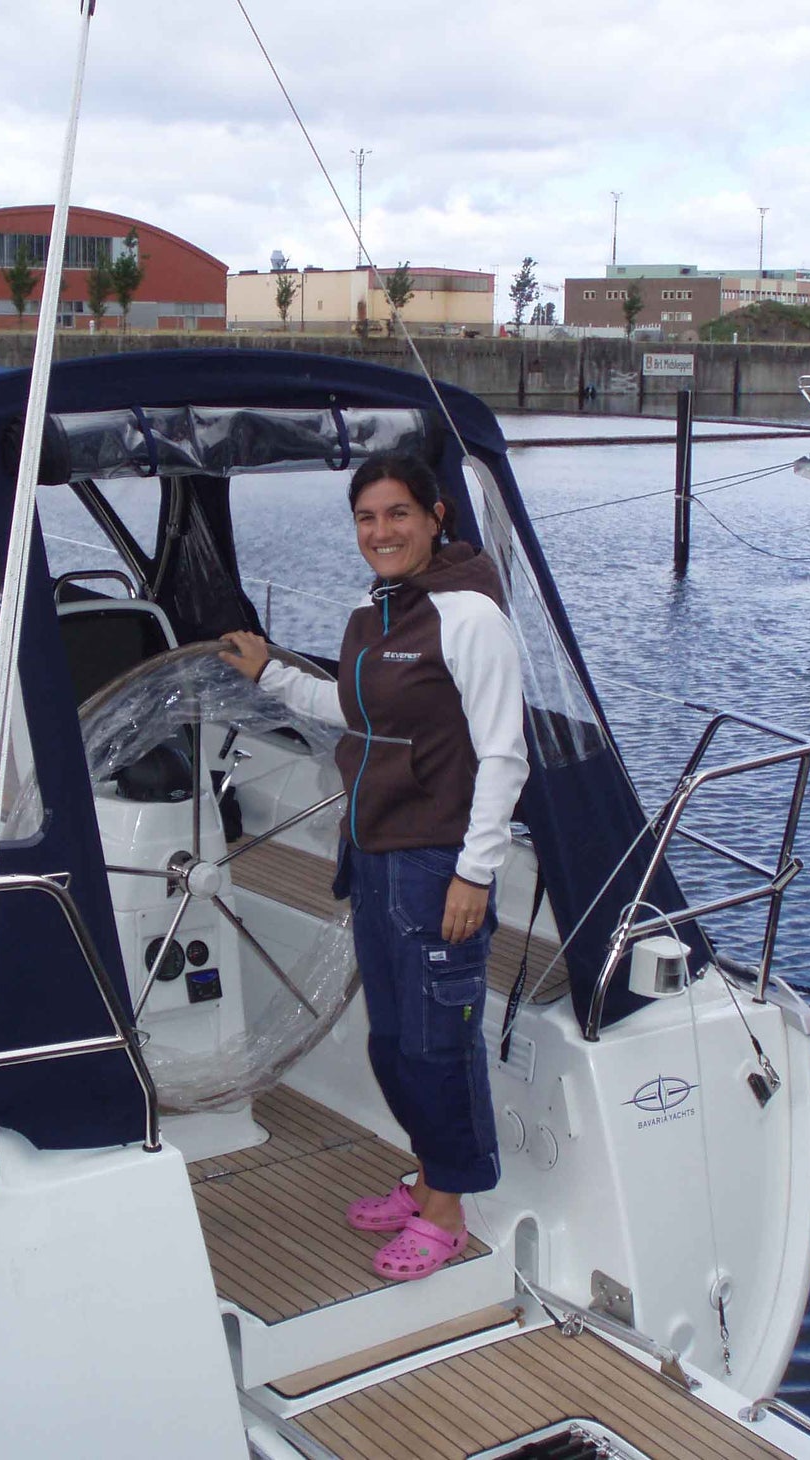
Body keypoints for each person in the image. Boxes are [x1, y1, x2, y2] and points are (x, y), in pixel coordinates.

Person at [219, 453, 528, 1282]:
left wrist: (474, 873)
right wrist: (272, 674)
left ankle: (448, 1213)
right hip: (376, 862)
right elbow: (349, 709)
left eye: (397, 514)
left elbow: (504, 757)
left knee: (437, 1050)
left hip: (435, 866)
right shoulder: (374, 613)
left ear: (434, 517)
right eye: (366, 518)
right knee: (393, 1045)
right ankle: (426, 1181)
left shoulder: (469, 618)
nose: (381, 532)